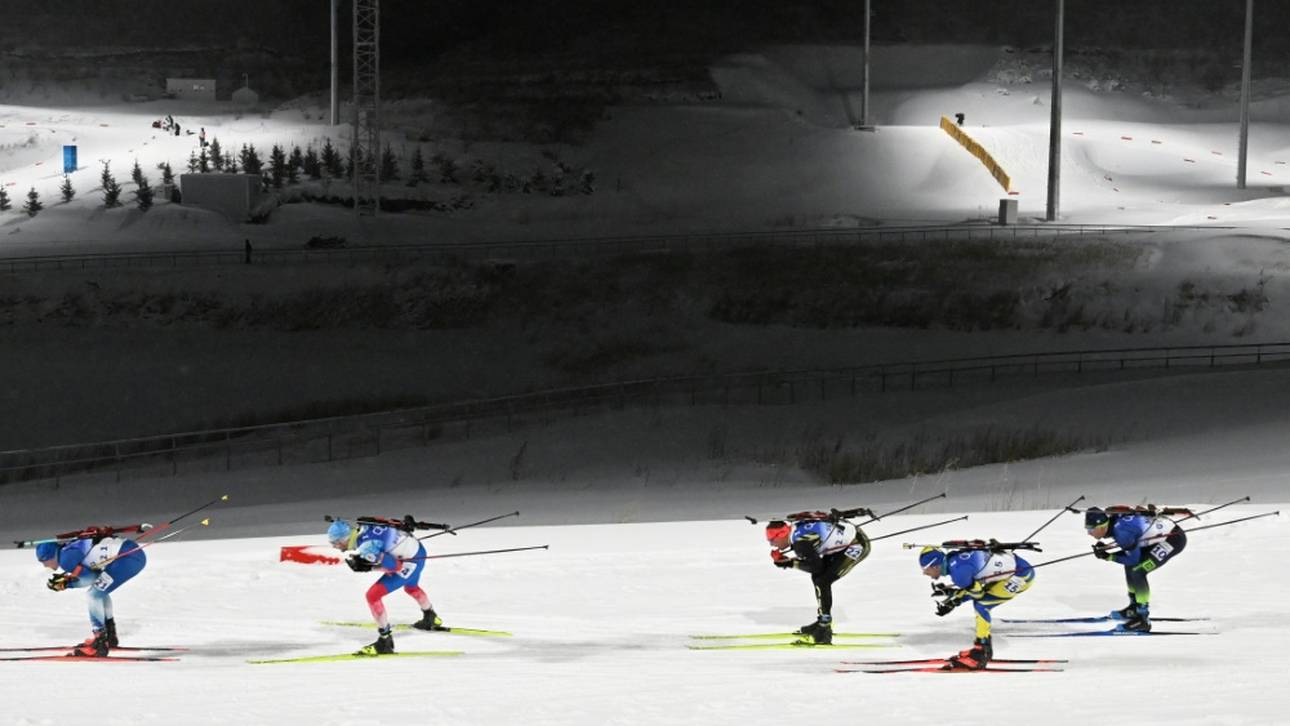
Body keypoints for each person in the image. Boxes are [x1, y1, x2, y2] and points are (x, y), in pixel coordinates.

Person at [327, 518, 444, 656]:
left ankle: (385, 641)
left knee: (372, 596)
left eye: (335, 543)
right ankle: (431, 618)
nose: (335, 547)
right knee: (411, 587)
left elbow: (396, 567)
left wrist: (368, 567)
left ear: (344, 539)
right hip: (418, 551)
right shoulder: (364, 525)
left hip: (410, 563)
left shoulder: (367, 547)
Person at [919, 543, 1034, 669]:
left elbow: (978, 594)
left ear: (935, 566)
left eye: (925, 568)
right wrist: (954, 599)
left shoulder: (958, 573)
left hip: (1021, 576)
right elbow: (975, 587)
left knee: (982, 605)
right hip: (1015, 568)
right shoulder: (955, 560)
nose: (924, 573)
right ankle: (985, 650)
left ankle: (981, 653)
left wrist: (955, 599)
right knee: (982, 601)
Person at [764, 513, 871, 645]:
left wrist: (789, 563)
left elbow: (815, 567)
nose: (771, 544)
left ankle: (824, 628)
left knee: (822, 580)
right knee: (819, 578)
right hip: (848, 535)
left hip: (856, 544)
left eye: (772, 540)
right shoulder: (795, 529)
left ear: (781, 535)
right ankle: (823, 622)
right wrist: (789, 562)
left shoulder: (800, 544)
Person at [36, 531, 147, 657]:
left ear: (51, 556)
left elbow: (89, 578)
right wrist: (68, 581)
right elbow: (94, 577)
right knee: (99, 592)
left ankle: (100, 643)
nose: (45, 565)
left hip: (128, 558)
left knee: (93, 595)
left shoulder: (65, 559)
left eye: (43, 561)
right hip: (131, 554)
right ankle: (110, 636)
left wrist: (66, 584)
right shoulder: (67, 550)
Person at [1084, 506, 1188, 632]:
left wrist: (1109, 557)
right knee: (1130, 566)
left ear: (1101, 526)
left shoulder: (1122, 533)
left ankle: (1142, 619)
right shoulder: (1115, 521)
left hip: (1173, 539)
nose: (1089, 533)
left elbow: (1133, 559)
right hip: (1160, 535)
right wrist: (1108, 553)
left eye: (1091, 529)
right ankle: (1134, 608)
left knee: (1137, 570)